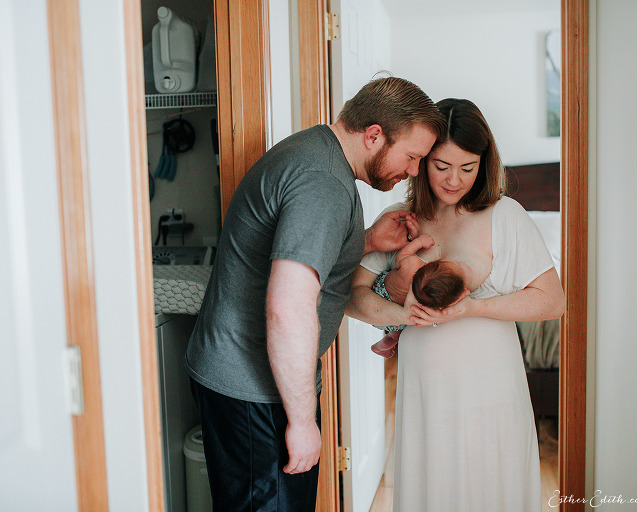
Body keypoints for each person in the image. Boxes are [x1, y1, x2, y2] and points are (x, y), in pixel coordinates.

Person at [184, 76, 446, 512]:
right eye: (412, 156)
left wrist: (361, 242)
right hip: (254, 391)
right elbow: (288, 308)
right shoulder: (324, 182)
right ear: (374, 135)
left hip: (240, 376)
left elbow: (283, 254)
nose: (414, 170)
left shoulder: (313, 150)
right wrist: (303, 422)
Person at [346, 98, 565, 512]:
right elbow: (352, 297)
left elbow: (552, 301)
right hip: (424, 391)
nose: (453, 180)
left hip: (490, 390)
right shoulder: (400, 220)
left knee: (488, 487)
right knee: (433, 488)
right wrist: (405, 315)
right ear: (422, 159)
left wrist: (471, 310)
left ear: (484, 163)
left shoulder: (505, 215)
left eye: (468, 168)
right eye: (441, 166)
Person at [368, 233, 468, 358]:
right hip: (392, 322)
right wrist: (462, 294)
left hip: (375, 297)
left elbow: (402, 254)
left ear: (429, 263)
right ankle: (382, 345)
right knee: (397, 334)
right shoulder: (421, 303)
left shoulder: (411, 264)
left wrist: (419, 242)